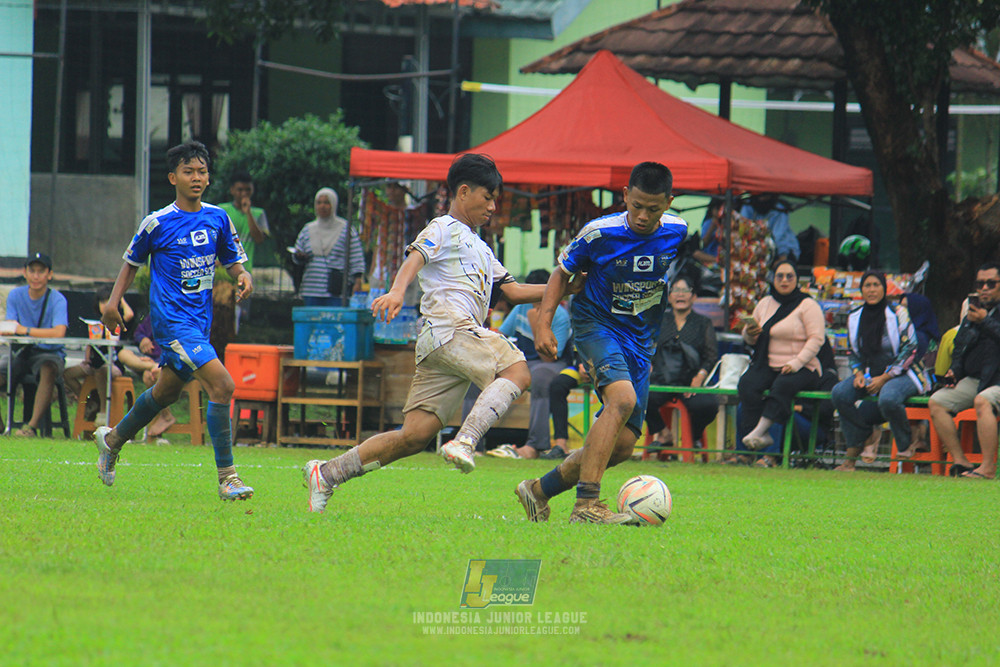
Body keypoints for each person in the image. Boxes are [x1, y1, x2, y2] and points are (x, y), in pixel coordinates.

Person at [300, 154, 548, 513]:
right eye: (488, 197)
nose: (493, 206)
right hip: (451, 329)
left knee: (414, 435)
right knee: (518, 371)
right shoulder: (443, 226)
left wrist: (566, 286)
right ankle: (465, 441)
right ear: (463, 192)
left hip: (440, 345)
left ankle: (327, 474)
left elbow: (514, 291)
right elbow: (415, 257)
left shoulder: (481, 248)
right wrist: (398, 290)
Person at [514, 161, 687, 525]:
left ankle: (538, 491)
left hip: (640, 341)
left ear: (669, 203)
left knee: (621, 446)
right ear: (624, 195)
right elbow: (562, 272)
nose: (642, 216)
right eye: (636, 205)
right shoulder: (598, 233)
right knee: (621, 400)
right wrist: (544, 324)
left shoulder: (677, 231)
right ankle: (586, 506)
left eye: (652, 209)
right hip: (595, 325)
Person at [94, 140, 255, 500]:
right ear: (173, 177)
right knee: (223, 386)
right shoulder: (157, 222)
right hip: (172, 324)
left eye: (202, 171)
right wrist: (112, 304)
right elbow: (130, 264)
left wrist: (244, 276)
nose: (196, 177)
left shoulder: (218, 218)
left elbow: (233, 263)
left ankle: (113, 439)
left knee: (165, 392)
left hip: (199, 324)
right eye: (188, 171)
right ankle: (228, 478)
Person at [830, 271, 930, 471]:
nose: (872, 289)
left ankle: (906, 443)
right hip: (871, 374)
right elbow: (853, 352)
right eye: (867, 285)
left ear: (884, 288)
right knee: (840, 393)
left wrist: (884, 378)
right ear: (861, 290)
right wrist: (858, 374)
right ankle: (864, 435)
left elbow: (910, 349)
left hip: (905, 372)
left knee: (888, 397)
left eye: (876, 285)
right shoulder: (854, 317)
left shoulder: (898, 313)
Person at [738, 259, 825, 457]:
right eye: (780, 276)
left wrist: (796, 363)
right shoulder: (765, 303)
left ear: (797, 280)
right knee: (747, 384)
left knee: (782, 386)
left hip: (803, 367)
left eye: (789, 276)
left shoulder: (808, 305)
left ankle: (762, 433)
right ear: (773, 279)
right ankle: (754, 435)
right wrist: (750, 332)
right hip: (767, 365)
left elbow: (816, 339)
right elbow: (750, 339)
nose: (784, 280)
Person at [487, 268, 571, 459]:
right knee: (483, 371)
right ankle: (472, 442)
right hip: (524, 362)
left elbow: (550, 357)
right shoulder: (519, 309)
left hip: (553, 365)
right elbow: (500, 336)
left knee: (540, 376)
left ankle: (535, 445)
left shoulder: (560, 316)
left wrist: (537, 322)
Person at [928, 262, 1000, 480]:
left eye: (991, 283)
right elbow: (960, 348)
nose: (984, 288)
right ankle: (960, 461)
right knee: (937, 402)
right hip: (979, 379)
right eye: (980, 283)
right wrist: (955, 371)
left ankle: (987, 468)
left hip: (995, 381)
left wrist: (985, 322)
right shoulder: (973, 311)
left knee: (982, 400)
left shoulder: (982, 317)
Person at [645, 277, 718, 455]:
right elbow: (647, 346)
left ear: (693, 297)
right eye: (676, 291)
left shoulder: (703, 323)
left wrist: (699, 377)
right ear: (669, 297)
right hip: (662, 379)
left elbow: (711, 356)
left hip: (690, 379)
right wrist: (648, 366)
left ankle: (694, 436)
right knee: (639, 395)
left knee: (708, 406)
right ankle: (663, 433)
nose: (680, 295)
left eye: (685, 291)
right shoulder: (661, 320)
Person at [0, 252, 69, 436]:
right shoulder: (15, 295)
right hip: (21, 352)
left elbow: (58, 332)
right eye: (32, 271)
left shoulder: (57, 299)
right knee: (3, 372)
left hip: (49, 353)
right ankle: (1, 426)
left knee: (49, 369)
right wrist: (17, 330)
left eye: (41, 271)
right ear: (25, 272)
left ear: (49, 274)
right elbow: (11, 327)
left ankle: (31, 426)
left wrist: (26, 330)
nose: (36, 276)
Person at [63, 286, 130, 425]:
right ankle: (90, 402)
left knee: (101, 371)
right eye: (102, 302)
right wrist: (87, 360)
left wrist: (120, 298)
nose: (105, 305)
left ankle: (103, 411)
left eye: (109, 301)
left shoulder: (118, 321)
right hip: (93, 363)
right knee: (67, 374)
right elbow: (90, 344)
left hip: (112, 363)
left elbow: (129, 315)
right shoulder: (95, 324)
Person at [292, 188, 366, 306]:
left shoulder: (345, 229)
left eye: (326, 202)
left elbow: (356, 258)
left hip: (336, 291)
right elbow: (297, 253)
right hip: (311, 289)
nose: (322, 206)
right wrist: (300, 256)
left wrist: (357, 281)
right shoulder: (308, 229)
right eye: (319, 203)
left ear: (333, 204)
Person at [218, 171, 269, 273]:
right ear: (232, 190)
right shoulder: (221, 211)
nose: (244, 193)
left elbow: (259, 239)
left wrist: (248, 212)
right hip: (222, 270)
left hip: (245, 270)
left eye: (248, 190)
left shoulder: (259, 214)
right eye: (240, 190)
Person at [740, 194, 799, 264]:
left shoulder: (780, 209)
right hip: (754, 254)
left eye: (765, 195)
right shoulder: (747, 205)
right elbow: (743, 232)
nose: (762, 199)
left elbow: (779, 237)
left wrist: (782, 258)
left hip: (781, 251)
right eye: (760, 194)